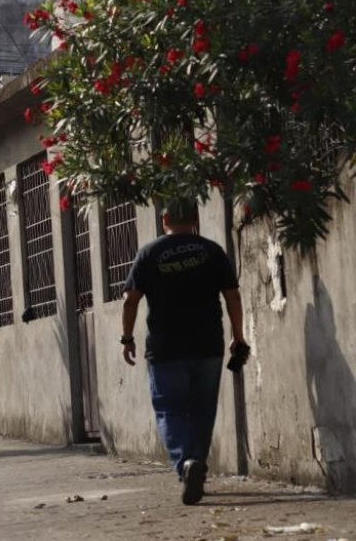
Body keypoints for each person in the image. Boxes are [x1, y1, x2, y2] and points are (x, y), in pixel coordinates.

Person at [121, 200, 246, 506]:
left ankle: (186, 464)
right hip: (208, 345)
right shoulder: (212, 250)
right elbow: (232, 296)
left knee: (170, 409)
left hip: (166, 348)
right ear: (194, 218)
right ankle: (196, 465)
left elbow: (130, 300)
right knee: (203, 409)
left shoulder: (149, 254)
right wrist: (238, 336)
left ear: (164, 221)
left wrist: (126, 338)